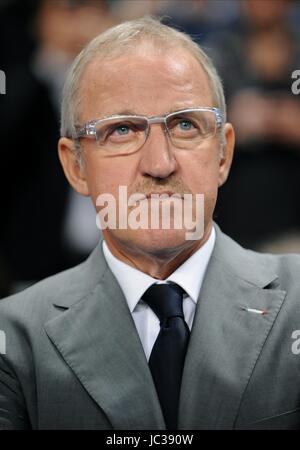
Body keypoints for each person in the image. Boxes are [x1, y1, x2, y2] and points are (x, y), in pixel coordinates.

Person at [0, 17, 300, 431]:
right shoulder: (12, 340)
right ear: (76, 166)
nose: (160, 164)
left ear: (223, 154)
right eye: (121, 130)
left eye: (184, 125)